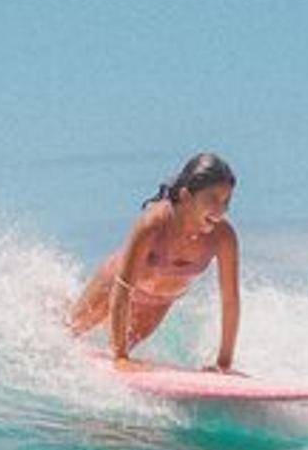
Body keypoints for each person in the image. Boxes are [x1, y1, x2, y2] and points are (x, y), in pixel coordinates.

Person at [71, 152, 240, 372]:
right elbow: (122, 288)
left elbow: (230, 301)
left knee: (120, 346)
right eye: (213, 199)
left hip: (158, 303)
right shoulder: (154, 223)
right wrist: (121, 357)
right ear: (187, 196)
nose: (222, 209)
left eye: (226, 201)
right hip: (113, 286)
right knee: (72, 331)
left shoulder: (223, 236)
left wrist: (223, 364)